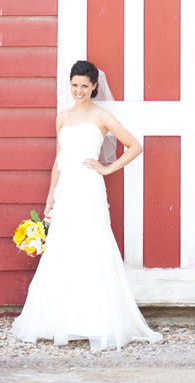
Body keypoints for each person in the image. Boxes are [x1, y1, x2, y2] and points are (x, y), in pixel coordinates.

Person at [12, 60, 162, 351]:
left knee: (93, 245)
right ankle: (57, 321)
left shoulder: (103, 116)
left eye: (84, 85)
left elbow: (134, 146)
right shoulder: (62, 118)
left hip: (90, 188)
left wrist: (106, 169)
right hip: (67, 189)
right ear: (70, 85)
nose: (78, 90)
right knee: (63, 246)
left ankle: (99, 322)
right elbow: (59, 158)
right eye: (74, 85)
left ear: (94, 86)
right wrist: (51, 194)